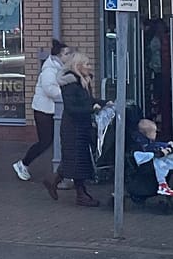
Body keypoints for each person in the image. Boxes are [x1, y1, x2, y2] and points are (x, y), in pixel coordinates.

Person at [47, 49, 105, 207]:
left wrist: (105, 103)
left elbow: (89, 100)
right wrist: (92, 109)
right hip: (73, 127)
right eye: (86, 64)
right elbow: (72, 108)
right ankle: (80, 194)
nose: (89, 67)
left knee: (77, 160)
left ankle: (59, 183)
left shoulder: (83, 81)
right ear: (78, 66)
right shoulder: (71, 84)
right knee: (76, 160)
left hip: (81, 125)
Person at [14, 39, 65, 182]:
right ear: (58, 56)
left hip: (51, 110)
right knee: (45, 141)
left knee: (51, 140)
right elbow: (51, 90)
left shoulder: (59, 68)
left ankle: (62, 170)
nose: (68, 57)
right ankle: (23, 163)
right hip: (43, 111)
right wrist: (67, 92)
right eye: (66, 54)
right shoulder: (49, 70)